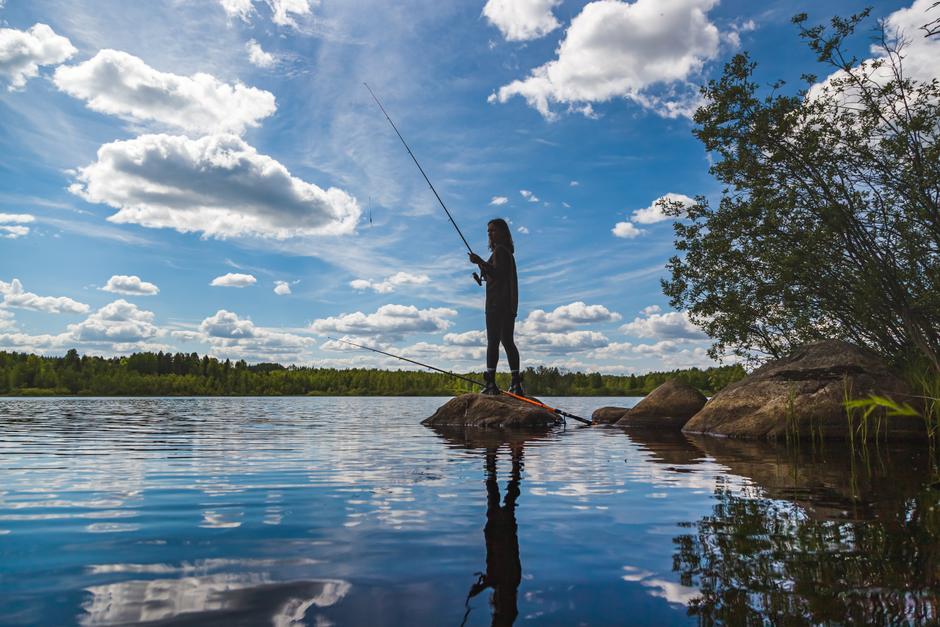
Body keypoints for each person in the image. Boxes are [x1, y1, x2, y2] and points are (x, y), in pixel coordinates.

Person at [468, 218, 522, 396]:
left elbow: (497, 273)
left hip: (497, 304)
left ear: (503, 233)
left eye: (493, 230)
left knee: (493, 341)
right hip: (508, 304)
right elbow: (496, 273)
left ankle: (491, 383)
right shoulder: (506, 252)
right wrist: (483, 268)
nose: (490, 234)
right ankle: (516, 384)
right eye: (488, 231)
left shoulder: (500, 251)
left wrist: (479, 261)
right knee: (507, 341)